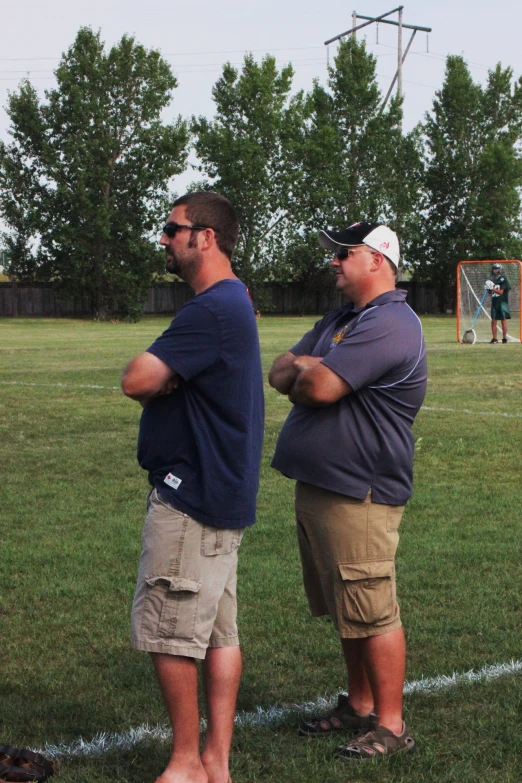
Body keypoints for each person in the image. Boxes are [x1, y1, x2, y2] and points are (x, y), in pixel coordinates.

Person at [269, 222, 427, 761]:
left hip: (360, 490)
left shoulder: (391, 324)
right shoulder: (343, 320)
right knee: (348, 605)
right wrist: (308, 366)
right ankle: (360, 704)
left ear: (379, 260)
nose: (334, 261)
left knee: (372, 605)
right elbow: (280, 371)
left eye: (345, 252)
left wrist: (312, 369)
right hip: (323, 486)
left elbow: (315, 386)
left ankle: (391, 724)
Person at [121, 191, 264, 783]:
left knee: (171, 631)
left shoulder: (210, 309)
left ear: (205, 237)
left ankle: (185, 763)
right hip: (220, 497)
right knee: (219, 634)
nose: (164, 239)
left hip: (191, 497)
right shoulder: (235, 301)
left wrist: (165, 382)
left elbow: (136, 378)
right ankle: (216, 763)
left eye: (172, 229)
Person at [488, 262, 511, 343]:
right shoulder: (492, 280)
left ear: (499, 270)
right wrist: (488, 288)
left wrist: (492, 288)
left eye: (496, 269)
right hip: (494, 302)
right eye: (493, 269)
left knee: (503, 319)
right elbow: (490, 293)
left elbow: (501, 292)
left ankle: (504, 338)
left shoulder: (503, 279)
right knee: (493, 320)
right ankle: (494, 338)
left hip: (502, 302)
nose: (494, 270)